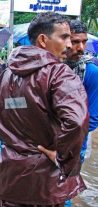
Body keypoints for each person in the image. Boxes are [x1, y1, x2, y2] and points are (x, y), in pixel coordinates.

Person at [0, 12, 89, 206]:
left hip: (10, 179)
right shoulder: (59, 73)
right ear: (43, 40)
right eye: (64, 37)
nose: (69, 45)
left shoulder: (6, 74)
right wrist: (63, 159)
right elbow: (77, 122)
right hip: (46, 186)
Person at [65, 20, 98, 162]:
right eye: (75, 42)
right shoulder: (51, 68)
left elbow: (93, 118)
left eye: (84, 42)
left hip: (75, 145)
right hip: (46, 143)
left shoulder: (91, 72)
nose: (81, 48)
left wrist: (62, 138)